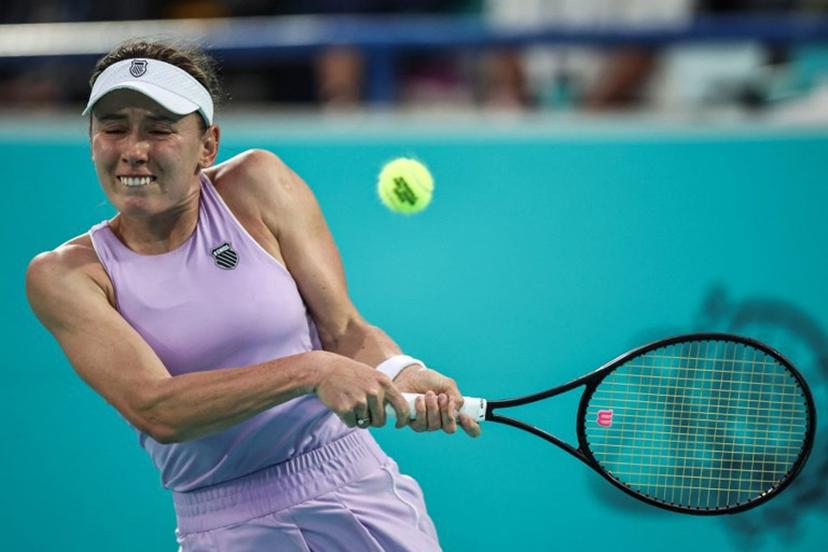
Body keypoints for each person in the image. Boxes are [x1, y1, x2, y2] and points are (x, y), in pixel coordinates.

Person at [25, 39, 480, 551]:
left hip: (354, 493)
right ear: (92, 140)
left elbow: (344, 329)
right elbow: (157, 410)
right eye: (113, 128)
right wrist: (312, 371)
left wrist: (403, 370)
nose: (133, 149)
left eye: (159, 129)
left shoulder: (257, 185)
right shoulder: (67, 275)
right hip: (224, 526)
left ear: (207, 144)